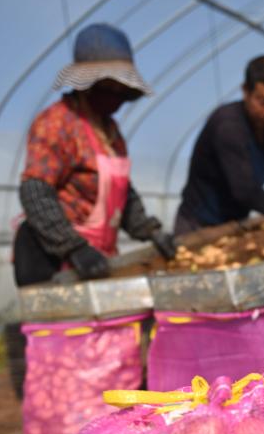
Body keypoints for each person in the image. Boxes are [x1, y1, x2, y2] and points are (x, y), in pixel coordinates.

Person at [13, 23, 176, 286]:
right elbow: (35, 191)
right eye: (109, 86)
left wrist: (150, 230)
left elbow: (121, 192)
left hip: (96, 256)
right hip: (53, 258)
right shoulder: (59, 123)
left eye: (121, 89)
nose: (116, 96)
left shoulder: (111, 130)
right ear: (88, 83)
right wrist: (72, 247)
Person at [175, 56, 264, 233]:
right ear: (246, 91)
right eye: (263, 101)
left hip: (235, 223)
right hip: (197, 224)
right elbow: (245, 191)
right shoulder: (227, 126)